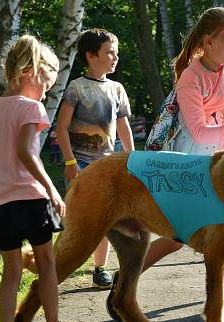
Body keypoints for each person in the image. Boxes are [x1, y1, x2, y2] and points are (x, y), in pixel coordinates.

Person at [108, 7, 224, 322]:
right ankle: (123, 281)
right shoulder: (190, 77)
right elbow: (197, 131)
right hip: (192, 169)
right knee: (175, 239)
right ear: (208, 42)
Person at [0, 35, 66, 322]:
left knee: (11, 273)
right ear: (28, 73)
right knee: (47, 264)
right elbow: (25, 152)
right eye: (46, 85)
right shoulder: (30, 107)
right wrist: (52, 189)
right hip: (31, 200)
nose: (45, 95)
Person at [56, 28, 135, 289]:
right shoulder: (76, 88)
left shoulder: (117, 89)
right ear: (91, 56)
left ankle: (100, 268)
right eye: (109, 52)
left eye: (116, 53)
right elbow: (61, 129)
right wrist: (70, 163)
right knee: (80, 220)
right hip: (81, 164)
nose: (115, 58)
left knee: (109, 218)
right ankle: (56, 265)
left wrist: (131, 158)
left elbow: (123, 127)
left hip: (109, 164)